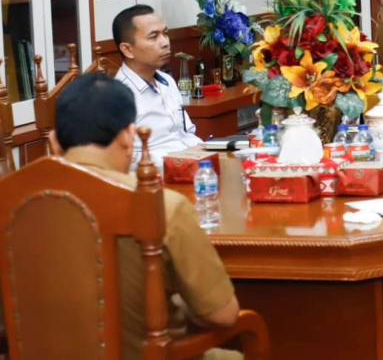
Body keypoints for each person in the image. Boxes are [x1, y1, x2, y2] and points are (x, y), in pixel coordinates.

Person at [48, 73, 241, 359]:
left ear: (54, 142)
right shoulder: (161, 206)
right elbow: (223, 315)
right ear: (129, 137)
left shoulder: (13, 203)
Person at [112, 4, 202, 165]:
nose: (165, 43)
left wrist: (208, 153)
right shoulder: (117, 96)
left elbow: (187, 133)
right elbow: (123, 160)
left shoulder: (167, 81)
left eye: (165, 34)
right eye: (153, 37)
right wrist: (180, 161)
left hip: (190, 164)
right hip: (155, 178)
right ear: (127, 49)